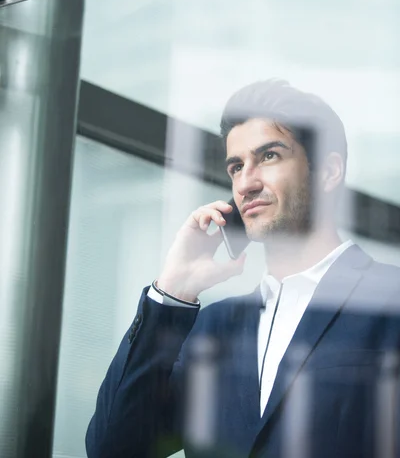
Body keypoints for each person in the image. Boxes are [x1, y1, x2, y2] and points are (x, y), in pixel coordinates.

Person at [86, 79, 400, 458]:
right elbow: (114, 449)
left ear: (328, 172)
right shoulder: (213, 327)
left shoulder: (389, 299)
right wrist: (173, 290)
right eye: (236, 166)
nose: (246, 183)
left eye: (269, 156)